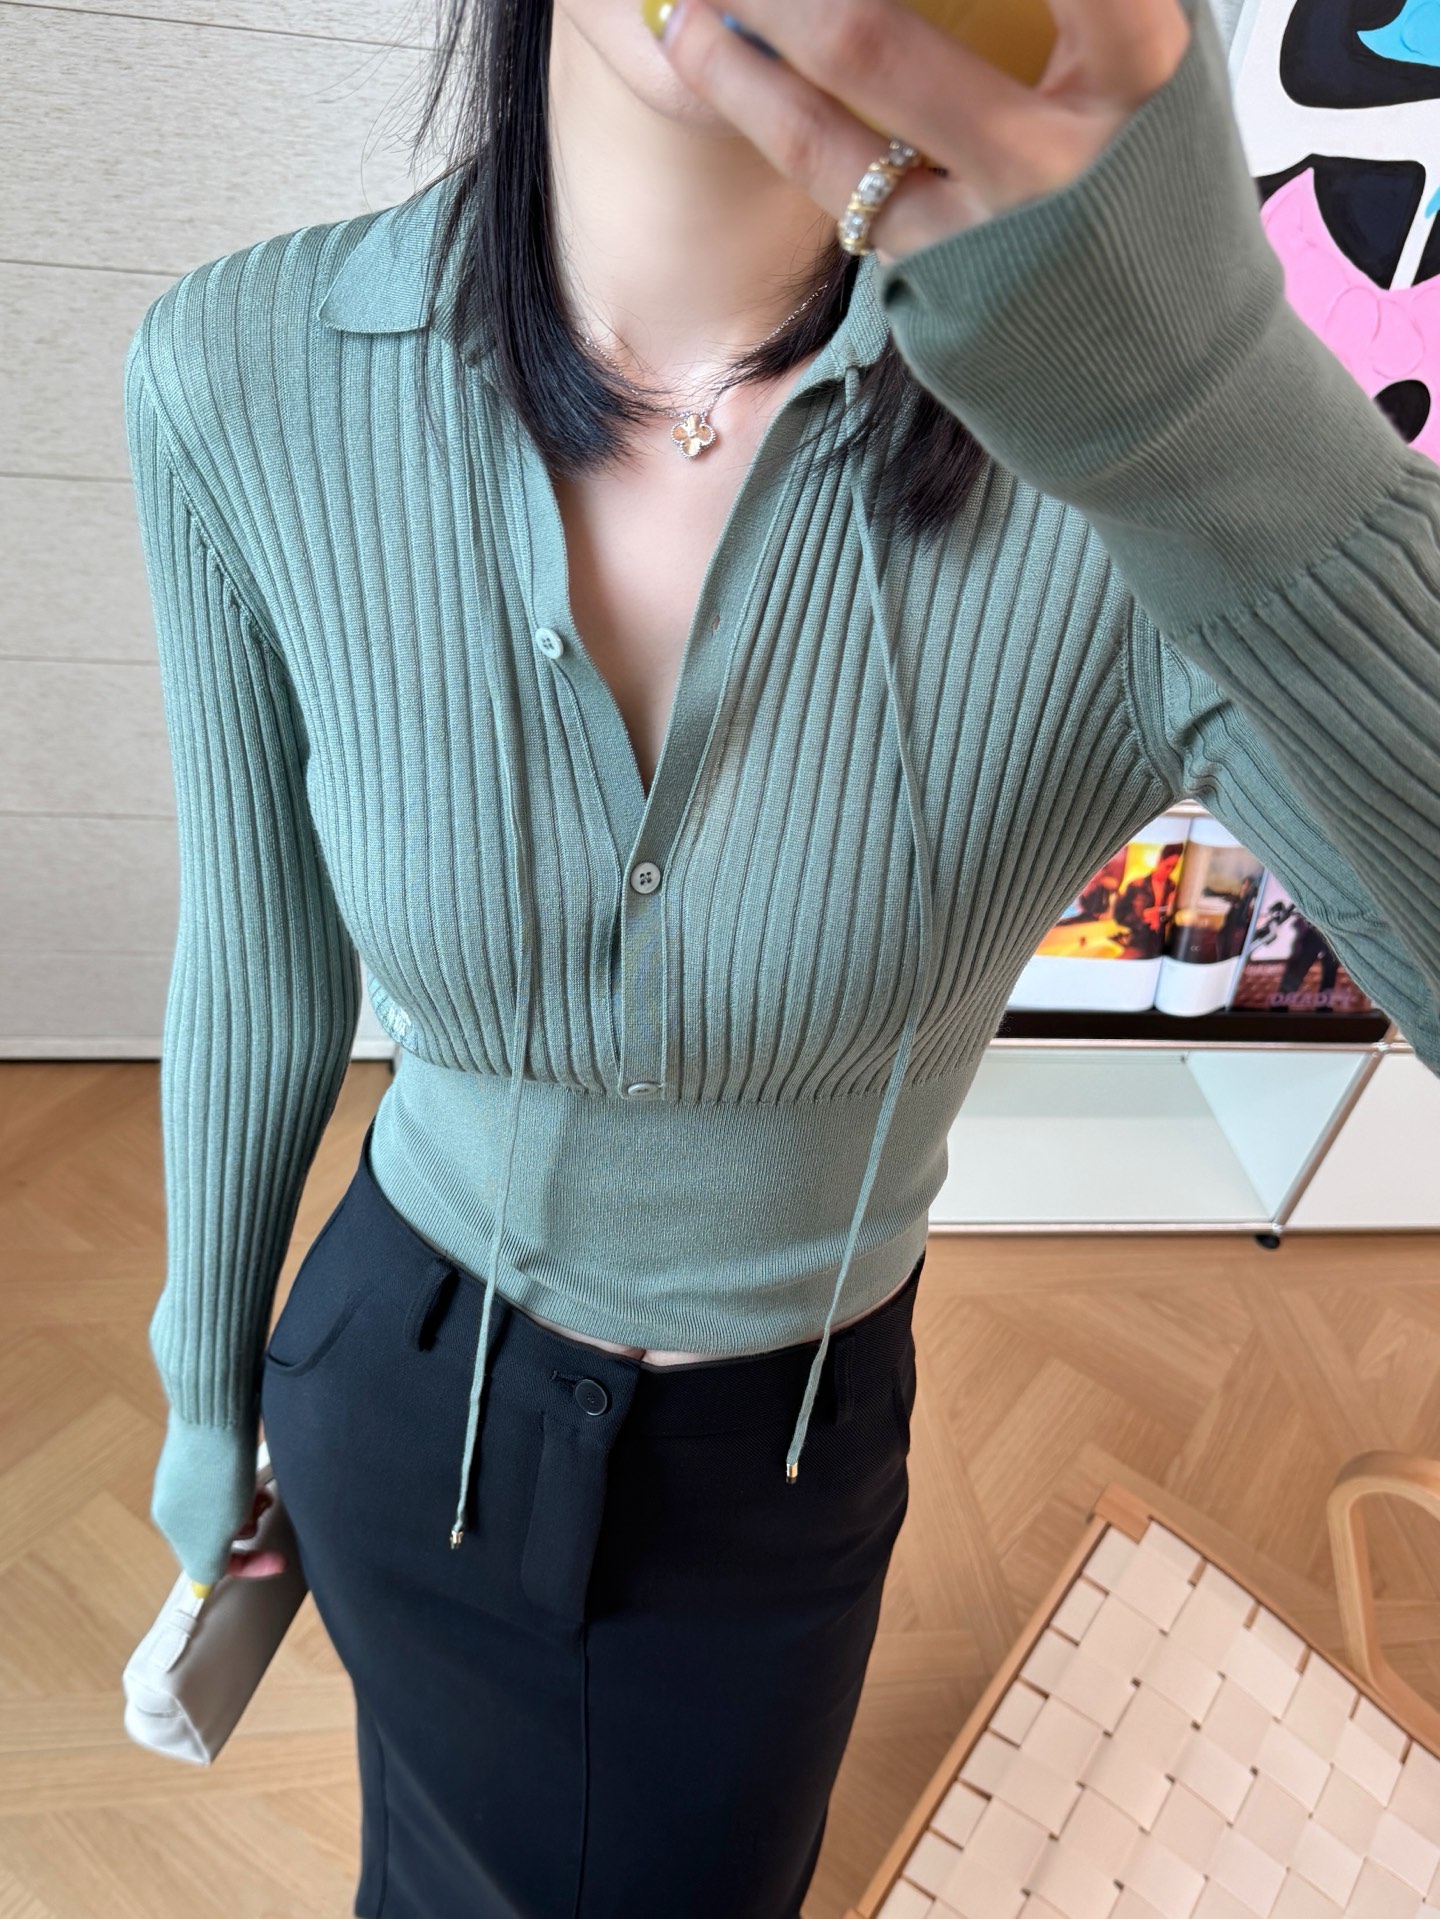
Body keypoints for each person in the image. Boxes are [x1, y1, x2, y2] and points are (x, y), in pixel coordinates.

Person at [123, 0, 1440, 1912]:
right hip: (388, 1378)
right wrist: (199, 1376)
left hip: (771, 1454)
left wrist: (1198, 407)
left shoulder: (1132, 473)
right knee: (422, 1862)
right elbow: (255, 941)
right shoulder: (239, 372)